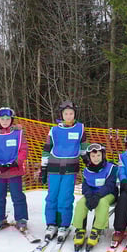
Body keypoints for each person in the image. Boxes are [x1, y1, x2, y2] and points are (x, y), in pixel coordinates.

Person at [40, 100, 86, 240]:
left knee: (65, 197)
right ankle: (51, 224)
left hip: (70, 169)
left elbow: (83, 147)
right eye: (66, 114)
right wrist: (43, 167)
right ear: (62, 115)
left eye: (71, 113)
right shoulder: (54, 130)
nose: (68, 116)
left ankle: (63, 225)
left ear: (74, 114)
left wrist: (88, 161)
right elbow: (47, 149)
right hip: (54, 168)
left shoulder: (80, 128)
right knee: (52, 196)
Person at [0, 107, 29, 231]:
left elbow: (23, 150)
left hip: (14, 170)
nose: (5, 121)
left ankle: (21, 218)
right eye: (2, 119)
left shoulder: (18, 134)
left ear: (12, 120)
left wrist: (16, 162)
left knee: (17, 195)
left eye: (7, 119)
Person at [72, 143, 118, 248]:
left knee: (102, 203)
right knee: (81, 203)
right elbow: (86, 186)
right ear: (89, 157)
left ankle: (96, 229)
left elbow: (110, 185)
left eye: (98, 155)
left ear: (103, 155)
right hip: (92, 194)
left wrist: (98, 196)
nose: (96, 158)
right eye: (93, 156)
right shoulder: (87, 170)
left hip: (108, 193)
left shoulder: (111, 168)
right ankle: (80, 229)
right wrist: (88, 196)